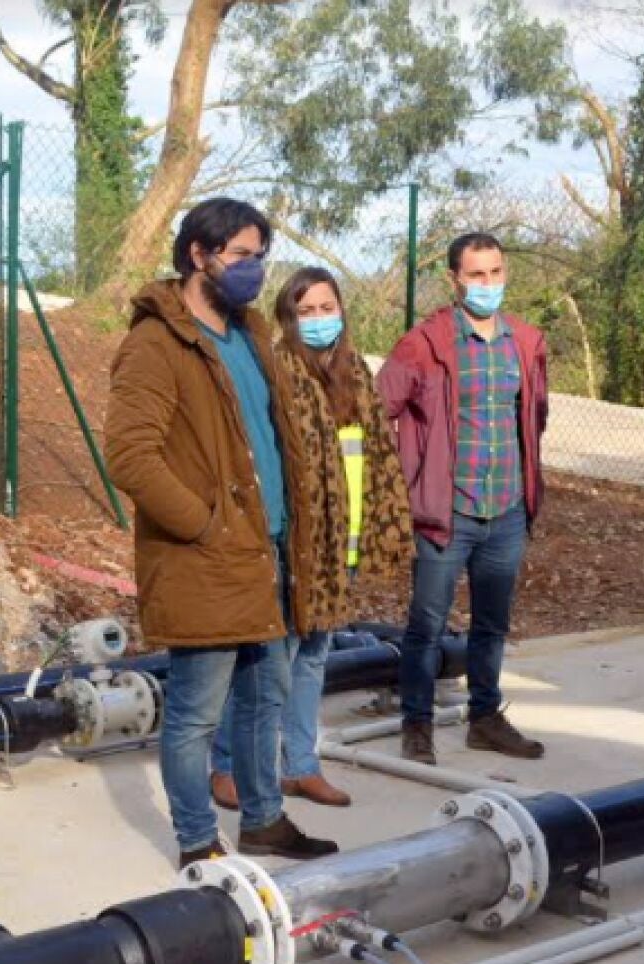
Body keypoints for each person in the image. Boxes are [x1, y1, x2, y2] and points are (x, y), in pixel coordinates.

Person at [104, 197, 341, 868]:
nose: (255, 269)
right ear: (198, 255)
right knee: (196, 715)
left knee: (265, 700)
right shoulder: (157, 345)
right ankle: (197, 842)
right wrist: (204, 526)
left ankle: (264, 821)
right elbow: (130, 455)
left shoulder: (251, 336)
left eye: (260, 256)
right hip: (207, 558)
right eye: (241, 255)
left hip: (269, 551)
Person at [209, 267, 415, 811]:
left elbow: (377, 456)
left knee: (314, 658)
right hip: (300, 543)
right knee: (268, 663)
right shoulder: (277, 371)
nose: (319, 319)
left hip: (343, 542)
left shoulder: (355, 371)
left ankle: (300, 766)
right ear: (288, 318)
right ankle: (226, 765)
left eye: (327, 308)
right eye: (307, 311)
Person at [377, 232, 550, 766]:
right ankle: (417, 725)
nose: (487, 283)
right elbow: (377, 409)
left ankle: (485, 719)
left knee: (492, 624)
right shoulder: (423, 345)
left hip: (507, 510)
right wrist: (408, 477)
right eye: (476, 274)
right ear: (454, 279)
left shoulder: (526, 342)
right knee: (426, 625)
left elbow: (535, 416)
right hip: (446, 513)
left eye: (495, 272)